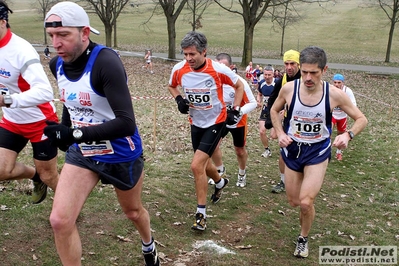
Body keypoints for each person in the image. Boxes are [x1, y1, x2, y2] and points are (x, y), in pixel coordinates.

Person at [43, 2, 159, 266]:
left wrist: (74, 134)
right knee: (60, 221)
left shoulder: (106, 63)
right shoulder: (56, 64)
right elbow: (70, 101)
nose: (56, 43)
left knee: (132, 212)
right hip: (84, 153)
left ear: (85, 33)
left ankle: (148, 244)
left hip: (120, 151)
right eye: (52, 36)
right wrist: (65, 130)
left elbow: (127, 123)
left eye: (64, 35)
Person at [270, 46, 367, 258]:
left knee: (306, 202)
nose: (308, 77)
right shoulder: (289, 89)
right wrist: (279, 132)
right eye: (304, 72)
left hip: (318, 151)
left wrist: (347, 135)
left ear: (324, 70)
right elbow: (274, 110)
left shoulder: (334, 94)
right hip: (293, 149)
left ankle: (303, 238)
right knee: (294, 201)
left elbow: (361, 119)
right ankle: (304, 213)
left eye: (313, 72)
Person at [168, 31, 244, 231]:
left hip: (216, 122)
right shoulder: (179, 69)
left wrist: (234, 110)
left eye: (192, 54)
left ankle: (201, 215)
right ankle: (220, 182)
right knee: (204, 162)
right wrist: (179, 100)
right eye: (185, 54)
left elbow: (239, 86)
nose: (188, 59)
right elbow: (172, 86)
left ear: (204, 52)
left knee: (196, 166)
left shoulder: (218, 69)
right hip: (196, 122)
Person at [0, 0, 59, 204]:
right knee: (1, 170)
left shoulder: (21, 50)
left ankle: (68, 207)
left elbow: (45, 92)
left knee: (50, 176)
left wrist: (6, 100)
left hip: (40, 121)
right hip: (12, 121)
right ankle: (35, 177)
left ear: (2, 22)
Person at [210, 53, 257, 188]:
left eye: (224, 66)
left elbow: (253, 103)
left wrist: (238, 111)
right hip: (220, 120)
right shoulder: (213, 81)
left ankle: (242, 174)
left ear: (231, 67)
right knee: (213, 146)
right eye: (219, 66)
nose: (221, 70)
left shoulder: (239, 82)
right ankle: (220, 171)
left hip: (238, 121)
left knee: (239, 150)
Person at [266, 49, 302, 194]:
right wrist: (270, 120)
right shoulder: (283, 80)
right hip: (288, 121)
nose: (289, 67)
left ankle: (300, 180)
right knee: (284, 152)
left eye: (292, 63)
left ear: (299, 64)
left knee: (301, 153)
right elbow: (272, 100)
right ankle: (283, 181)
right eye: (286, 64)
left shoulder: (306, 78)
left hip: (305, 122)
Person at [331, 73, 357, 161]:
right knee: (328, 132)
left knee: (340, 135)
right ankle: (325, 151)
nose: (337, 85)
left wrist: (346, 109)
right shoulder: (330, 90)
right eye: (335, 82)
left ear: (343, 83)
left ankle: (339, 152)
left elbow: (353, 104)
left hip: (342, 116)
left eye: (339, 83)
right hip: (332, 115)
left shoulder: (347, 91)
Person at [256, 64, 276, 158]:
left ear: (273, 75)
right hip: (265, 110)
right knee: (262, 131)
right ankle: (267, 150)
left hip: (276, 110)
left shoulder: (278, 83)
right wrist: (258, 101)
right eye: (265, 74)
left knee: (273, 135)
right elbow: (259, 94)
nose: (267, 77)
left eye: (269, 75)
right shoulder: (262, 83)